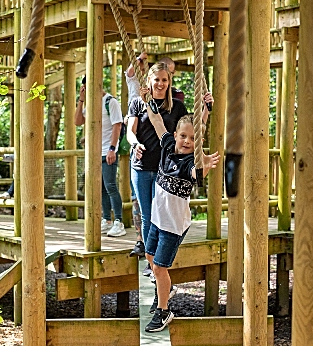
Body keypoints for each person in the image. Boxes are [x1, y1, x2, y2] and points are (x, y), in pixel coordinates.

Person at [127, 62, 212, 276]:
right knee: (148, 215)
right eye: (157, 79)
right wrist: (135, 144)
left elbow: (191, 129)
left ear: (169, 82)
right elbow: (131, 131)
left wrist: (206, 109)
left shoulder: (176, 106)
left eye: (165, 80)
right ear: (149, 81)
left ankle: (156, 260)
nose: (160, 83)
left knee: (160, 214)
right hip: (142, 165)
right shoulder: (139, 103)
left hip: (165, 168)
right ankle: (151, 259)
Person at [142, 111, 220, 332]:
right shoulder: (167, 146)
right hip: (157, 219)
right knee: (149, 256)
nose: (187, 141)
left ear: (198, 143)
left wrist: (204, 162)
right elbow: (157, 121)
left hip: (173, 226)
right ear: (175, 135)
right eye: (184, 136)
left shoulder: (188, 163)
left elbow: (197, 173)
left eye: (193, 139)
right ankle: (167, 287)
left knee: (158, 268)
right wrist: (147, 101)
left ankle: (164, 311)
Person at [75, 76, 126, 237]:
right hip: (94, 153)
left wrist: (112, 148)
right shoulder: (89, 103)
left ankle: (119, 221)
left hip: (108, 151)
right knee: (101, 188)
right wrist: (81, 100)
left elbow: (117, 125)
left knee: (110, 185)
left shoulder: (110, 101)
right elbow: (77, 122)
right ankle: (107, 219)